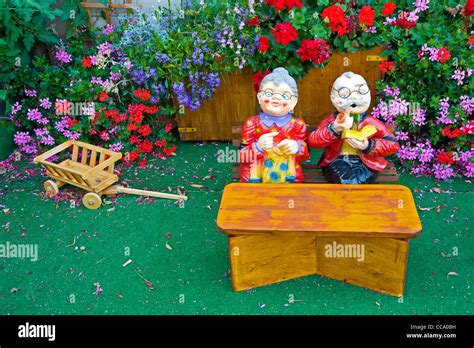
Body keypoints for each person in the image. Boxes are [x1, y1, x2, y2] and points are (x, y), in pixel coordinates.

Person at [308, 71, 399, 184]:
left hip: (366, 162)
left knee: (355, 181)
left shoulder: (371, 122)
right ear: (333, 97)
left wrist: (368, 145)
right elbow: (313, 141)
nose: (354, 98)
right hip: (337, 160)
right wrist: (334, 129)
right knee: (346, 181)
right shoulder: (333, 121)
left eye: (361, 91)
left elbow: (393, 144)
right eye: (345, 93)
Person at [239, 67, 309, 183]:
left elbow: (305, 155)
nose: (276, 98)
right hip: (257, 176)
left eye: (285, 96)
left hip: (287, 175)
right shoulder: (252, 123)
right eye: (269, 93)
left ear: (293, 102)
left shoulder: (297, 125)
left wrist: (297, 147)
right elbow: (242, 156)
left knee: (294, 193)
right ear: (260, 97)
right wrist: (258, 147)